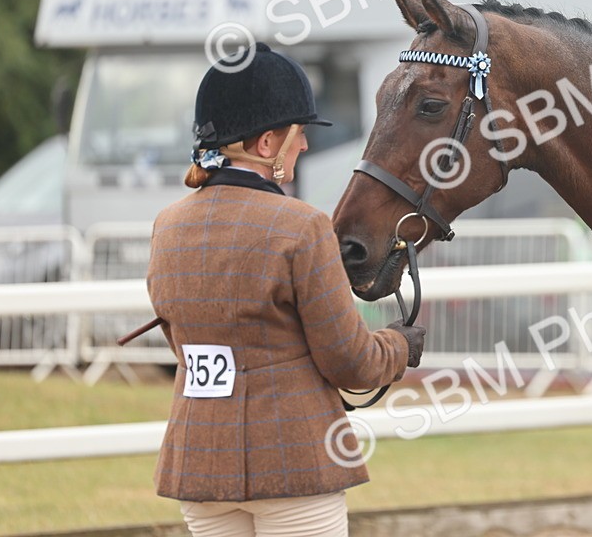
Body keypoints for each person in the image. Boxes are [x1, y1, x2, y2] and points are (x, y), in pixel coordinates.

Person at [147, 42, 425, 536]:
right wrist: (399, 346)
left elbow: (188, 348)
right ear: (267, 145)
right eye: (299, 134)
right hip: (292, 463)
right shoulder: (301, 226)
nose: (306, 146)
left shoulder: (168, 226)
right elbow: (350, 362)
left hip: (200, 463)